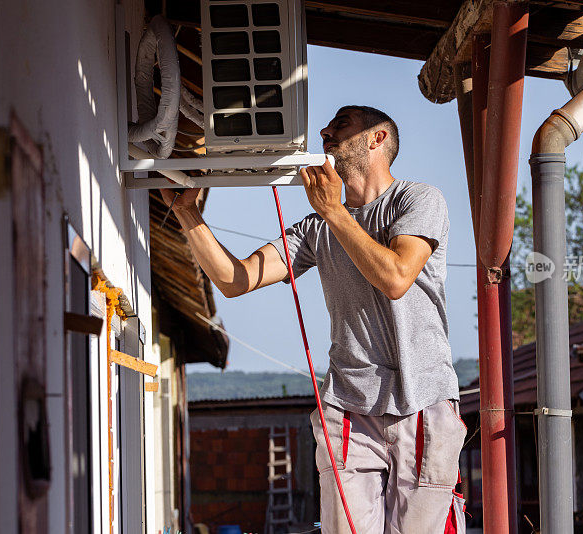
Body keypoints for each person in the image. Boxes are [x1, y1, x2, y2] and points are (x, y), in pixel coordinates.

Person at [161, 105, 466, 533]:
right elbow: (234, 280)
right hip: (348, 408)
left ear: (377, 139)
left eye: (341, 125)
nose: (324, 131)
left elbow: (396, 277)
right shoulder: (316, 228)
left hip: (422, 400)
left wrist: (335, 212)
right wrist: (187, 214)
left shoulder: (417, 200)